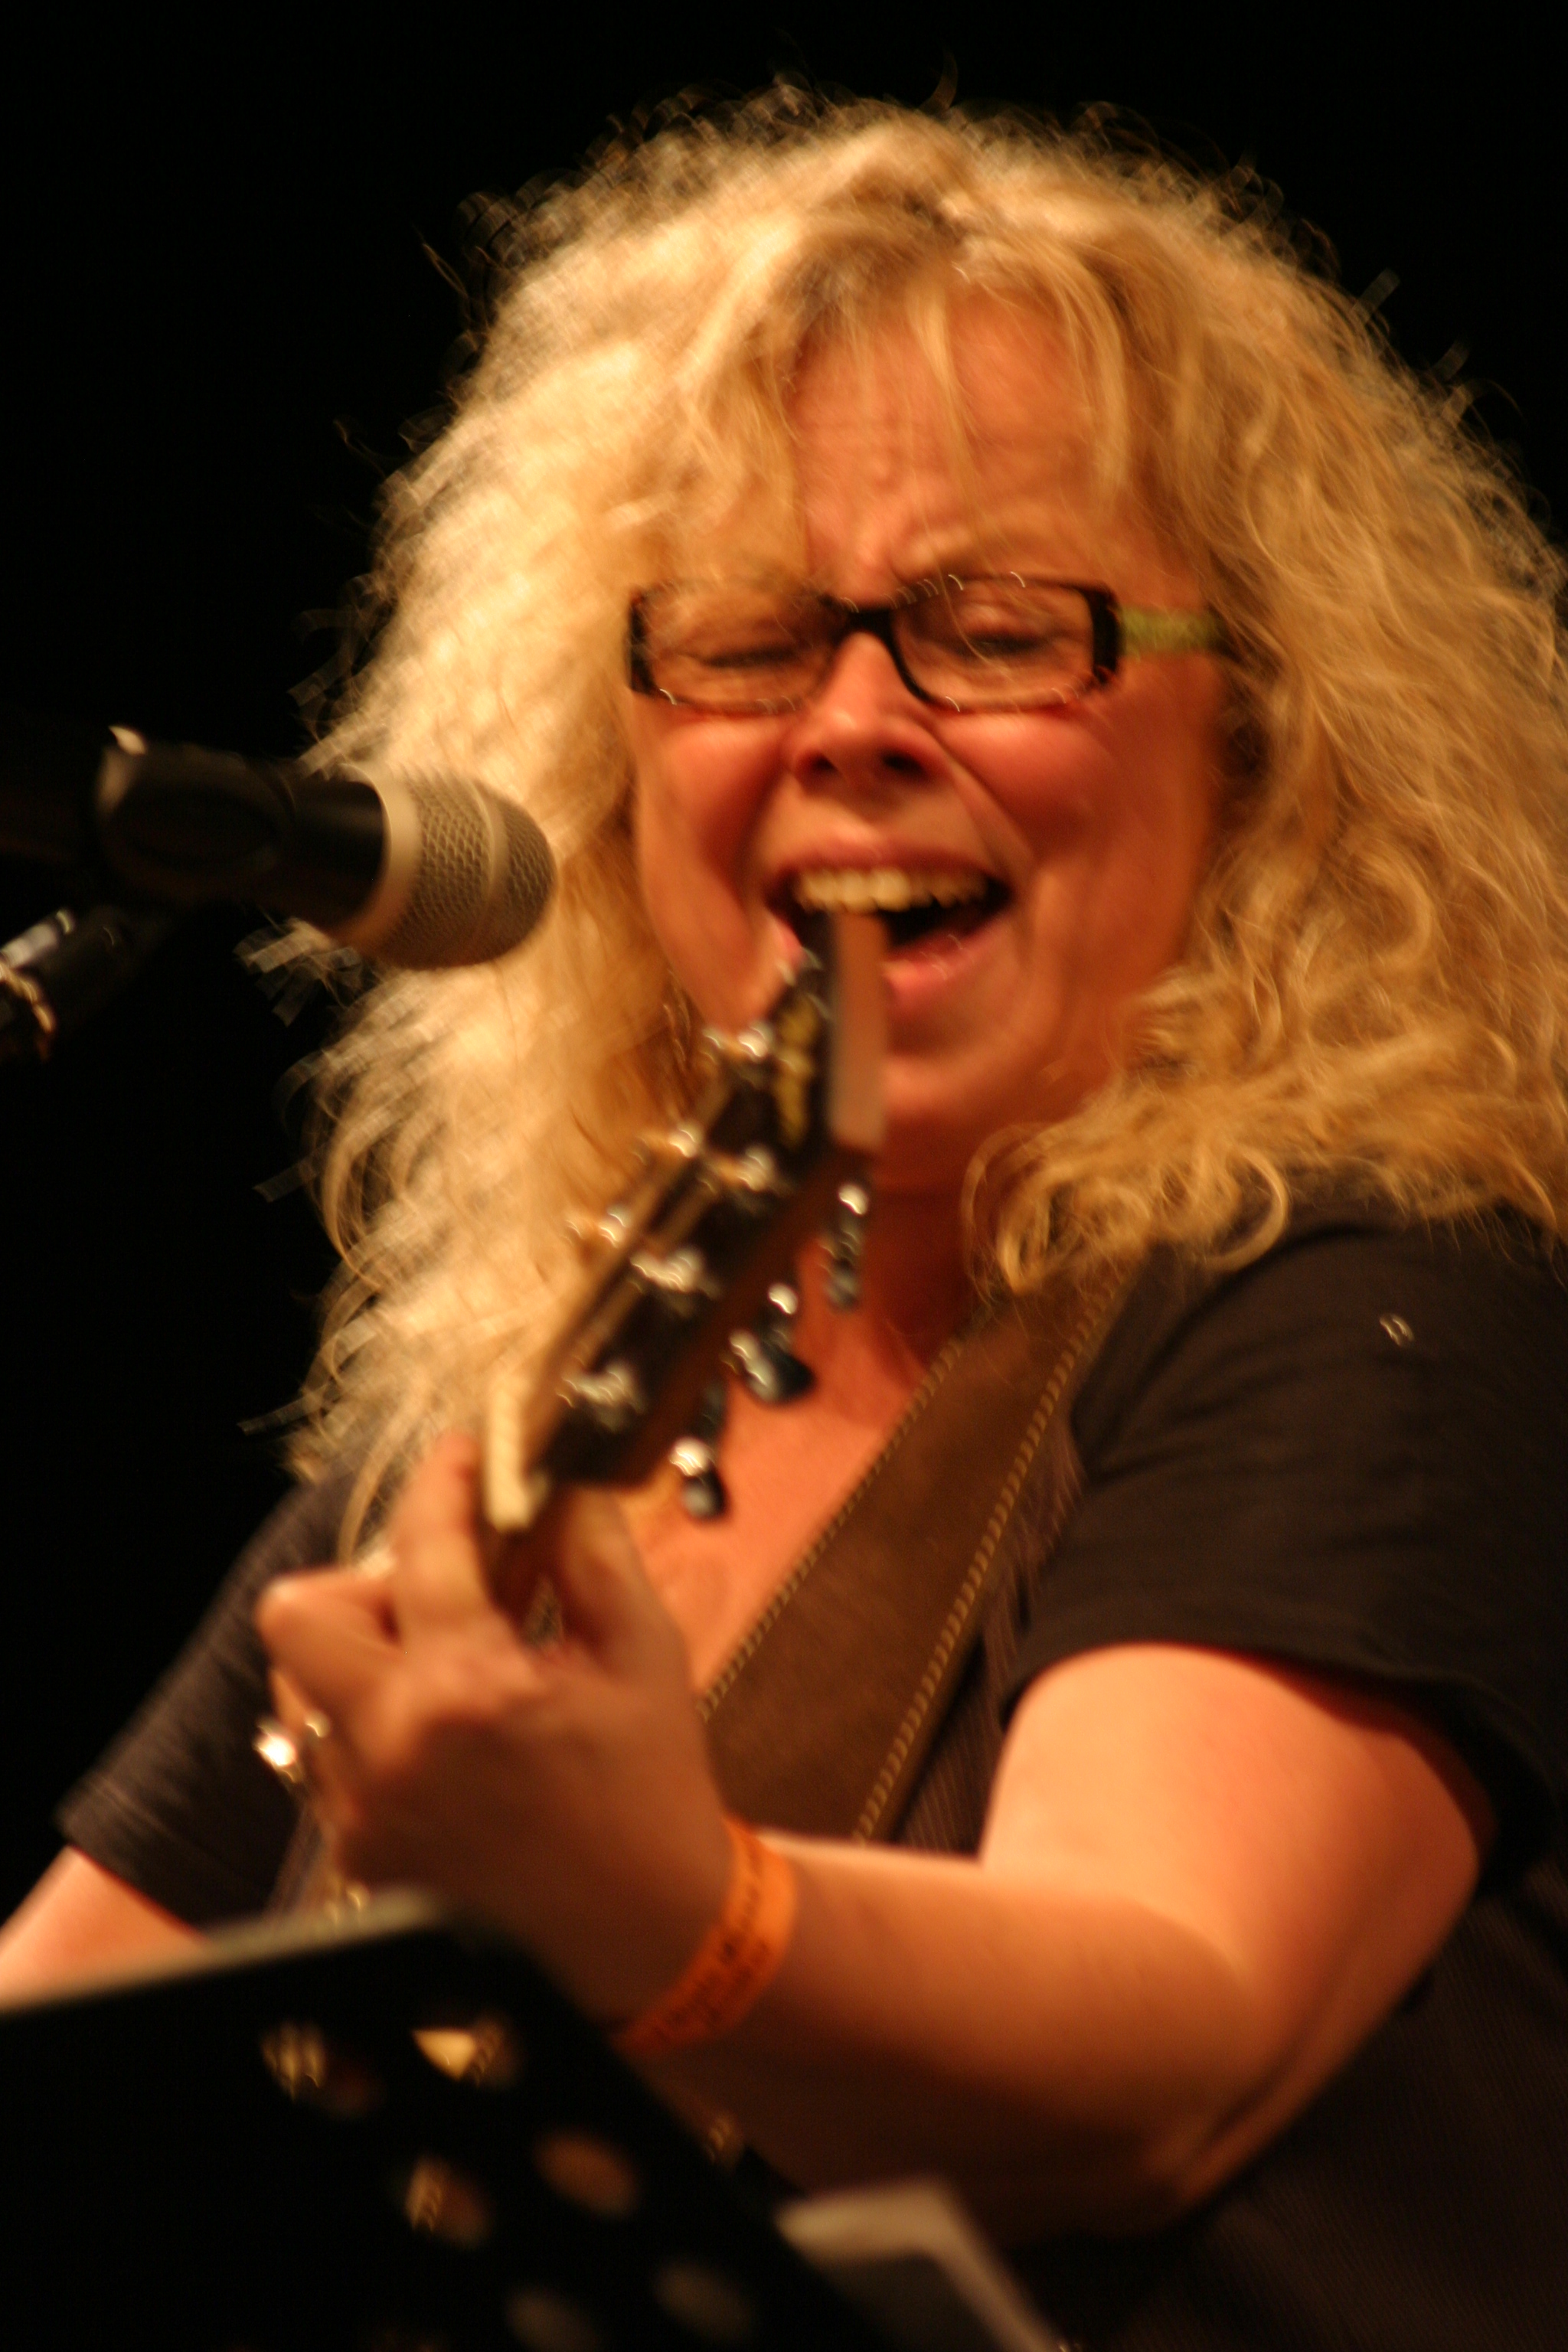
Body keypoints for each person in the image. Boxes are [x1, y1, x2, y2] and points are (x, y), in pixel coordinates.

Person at [2, 93, 1565, 2350]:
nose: (851, 723)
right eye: (744, 640)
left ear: (1262, 743)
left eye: (994, 629)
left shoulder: (1372, 1310)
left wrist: (679, 1915)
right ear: (614, 763)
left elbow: (1169, 2024)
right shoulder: (492, 1421)